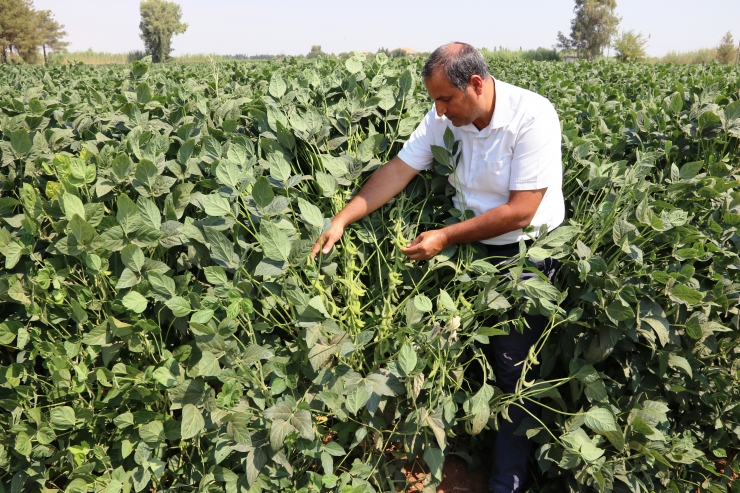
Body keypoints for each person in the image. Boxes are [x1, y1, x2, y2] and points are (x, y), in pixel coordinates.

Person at [311, 42, 564, 493]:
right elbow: (399, 170)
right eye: (434, 101)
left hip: (526, 254)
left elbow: (522, 211)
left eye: (445, 99)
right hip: (469, 248)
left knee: (511, 368)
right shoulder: (443, 117)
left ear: (477, 84)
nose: (439, 111)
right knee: (448, 348)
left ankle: (506, 481)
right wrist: (342, 219)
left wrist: (445, 236)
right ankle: (461, 449)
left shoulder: (533, 116)